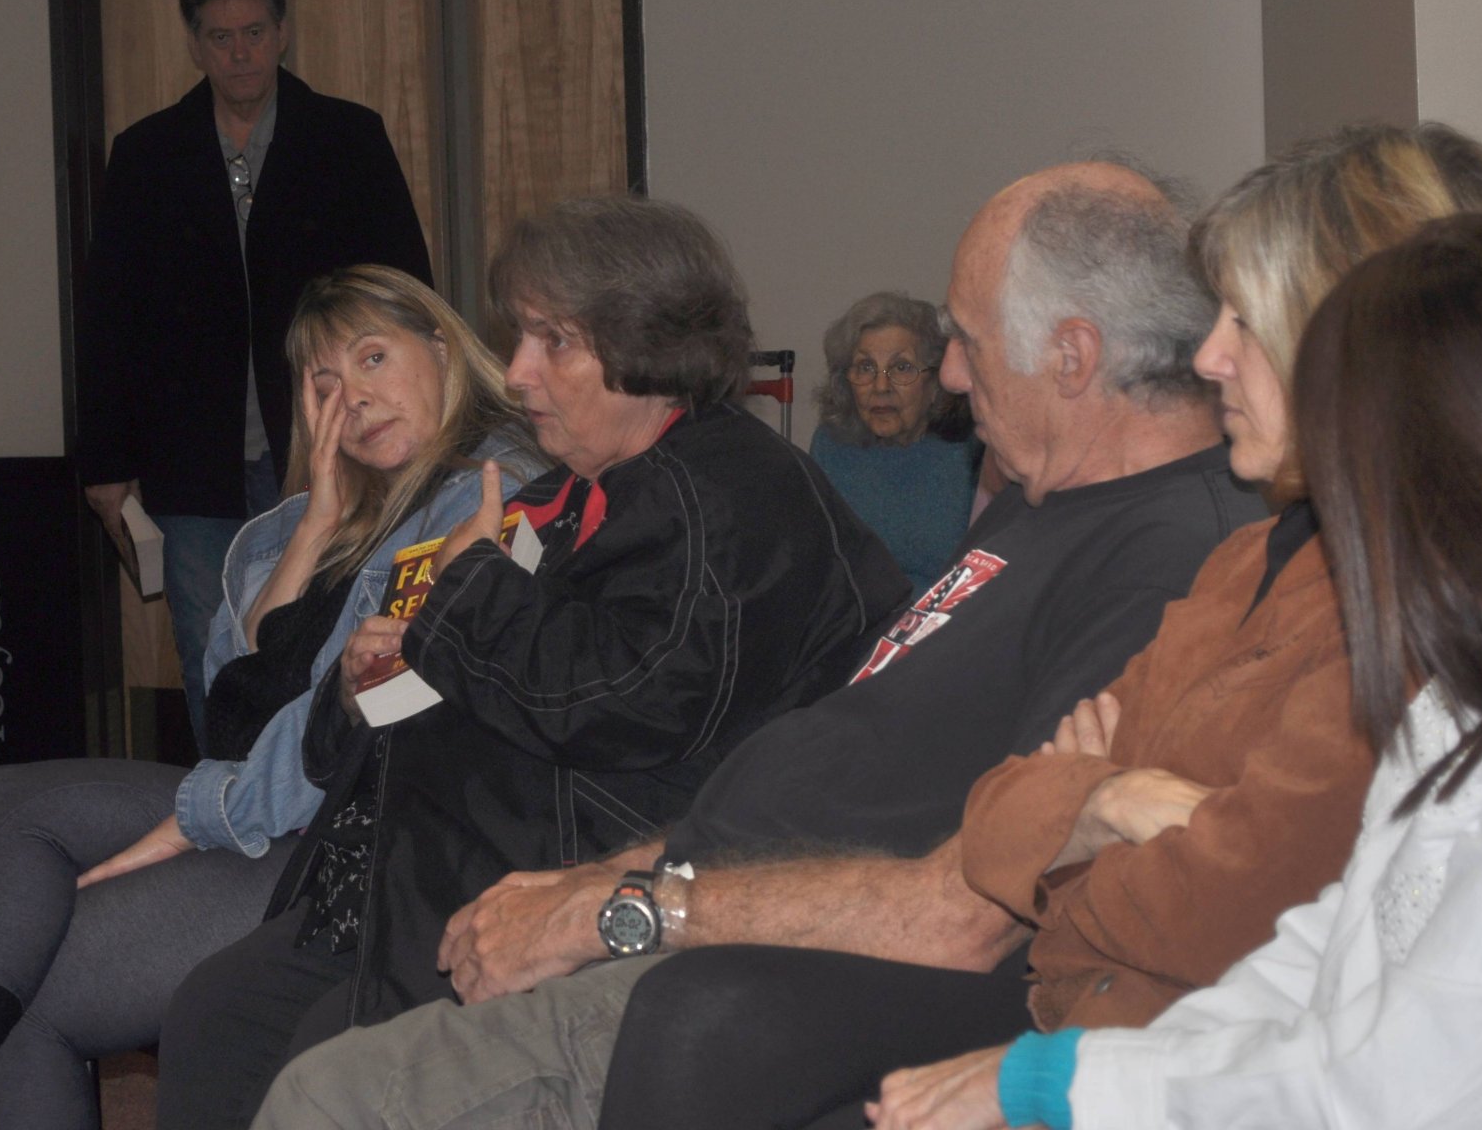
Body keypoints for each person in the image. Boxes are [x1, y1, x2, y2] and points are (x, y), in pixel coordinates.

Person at [249, 158, 1270, 1130]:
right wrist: (597, 881)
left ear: (1073, 355)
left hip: (743, 965)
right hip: (681, 889)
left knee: (326, 1097)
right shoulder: (1039, 508)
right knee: (278, 1043)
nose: (950, 376)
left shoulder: (1166, 560)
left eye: (964, 338)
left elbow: (967, 910)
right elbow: (813, 778)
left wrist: (616, 907)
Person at [587, 122, 1482, 1130]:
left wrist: (1088, 814)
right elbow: (1014, 807)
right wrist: (1097, 803)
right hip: (1096, 1023)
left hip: (1146, 1051)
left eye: (1246, 323)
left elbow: (1240, 915)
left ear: (1379, 349)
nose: (1208, 356)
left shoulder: (1414, 617)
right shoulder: (1247, 565)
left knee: (701, 1019)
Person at [872, 213, 1482, 1130]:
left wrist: (1056, 1084)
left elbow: (1403, 1086)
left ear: (1467, 451)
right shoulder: (1478, 685)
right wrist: (1069, 1066)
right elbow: (1320, 958)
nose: (1344, 492)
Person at [149, 195, 910, 1129]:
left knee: (324, 1073)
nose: (516, 372)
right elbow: (449, 674)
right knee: (215, 1017)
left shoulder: (728, 493)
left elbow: (623, 700)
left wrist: (463, 594)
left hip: (592, 881)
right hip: (412, 871)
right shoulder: (581, 487)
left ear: (646, 342)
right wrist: (358, 688)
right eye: (520, 338)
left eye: (553, 342)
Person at [0, 265, 539, 1130]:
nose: (353, 398)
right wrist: (317, 524)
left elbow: (363, 723)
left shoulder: (489, 492)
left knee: (14, 994)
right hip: (269, 804)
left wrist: (198, 817)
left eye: (373, 358)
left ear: (440, 346)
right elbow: (235, 709)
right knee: (6, 804)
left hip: (355, 843)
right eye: (324, 383)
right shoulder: (303, 523)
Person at [75, 0, 433, 751]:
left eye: (254, 33)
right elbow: (108, 316)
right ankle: (227, 796)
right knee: (213, 644)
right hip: (189, 455)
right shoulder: (147, 154)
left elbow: (405, 293)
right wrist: (105, 459)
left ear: (282, 33)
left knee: (327, 629)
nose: (239, 53)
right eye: (220, 36)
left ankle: (316, 796)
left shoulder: (348, 138)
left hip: (327, 442)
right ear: (194, 45)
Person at [811, 291, 981, 593]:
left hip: (947, 617)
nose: (880, 386)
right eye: (865, 367)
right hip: (856, 617)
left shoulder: (971, 450)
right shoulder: (830, 445)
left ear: (936, 381)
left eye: (902, 367)